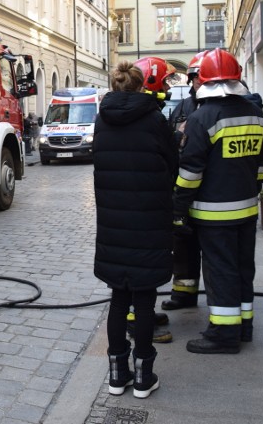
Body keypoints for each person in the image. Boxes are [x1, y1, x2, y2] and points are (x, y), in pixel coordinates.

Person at [173, 48, 263, 354]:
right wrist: (248, 190)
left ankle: (223, 335)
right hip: (246, 209)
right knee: (243, 268)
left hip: (214, 214)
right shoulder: (256, 114)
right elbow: (262, 165)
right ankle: (244, 327)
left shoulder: (202, 118)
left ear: (203, 81)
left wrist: (178, 207)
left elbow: (190, 173)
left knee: (220, 271)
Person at [93, 58, 178, 398]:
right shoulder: (155, 120)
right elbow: (173, 164)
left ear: (115, 85)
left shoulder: (102, 120)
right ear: (143, 86)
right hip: (148, 221)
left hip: (113, 223)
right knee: (144, 300)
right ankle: (144, 376)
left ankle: (117, 375)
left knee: (118, 298)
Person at [162, 50, 206, 311]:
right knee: (183, 247)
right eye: (195, 78)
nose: (199, 81)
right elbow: (168, 141)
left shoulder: (217, 108)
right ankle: (183, 294)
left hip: (209, 192)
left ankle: (220, 300)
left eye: (202, 77)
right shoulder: (183, 107)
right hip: (183, 189)